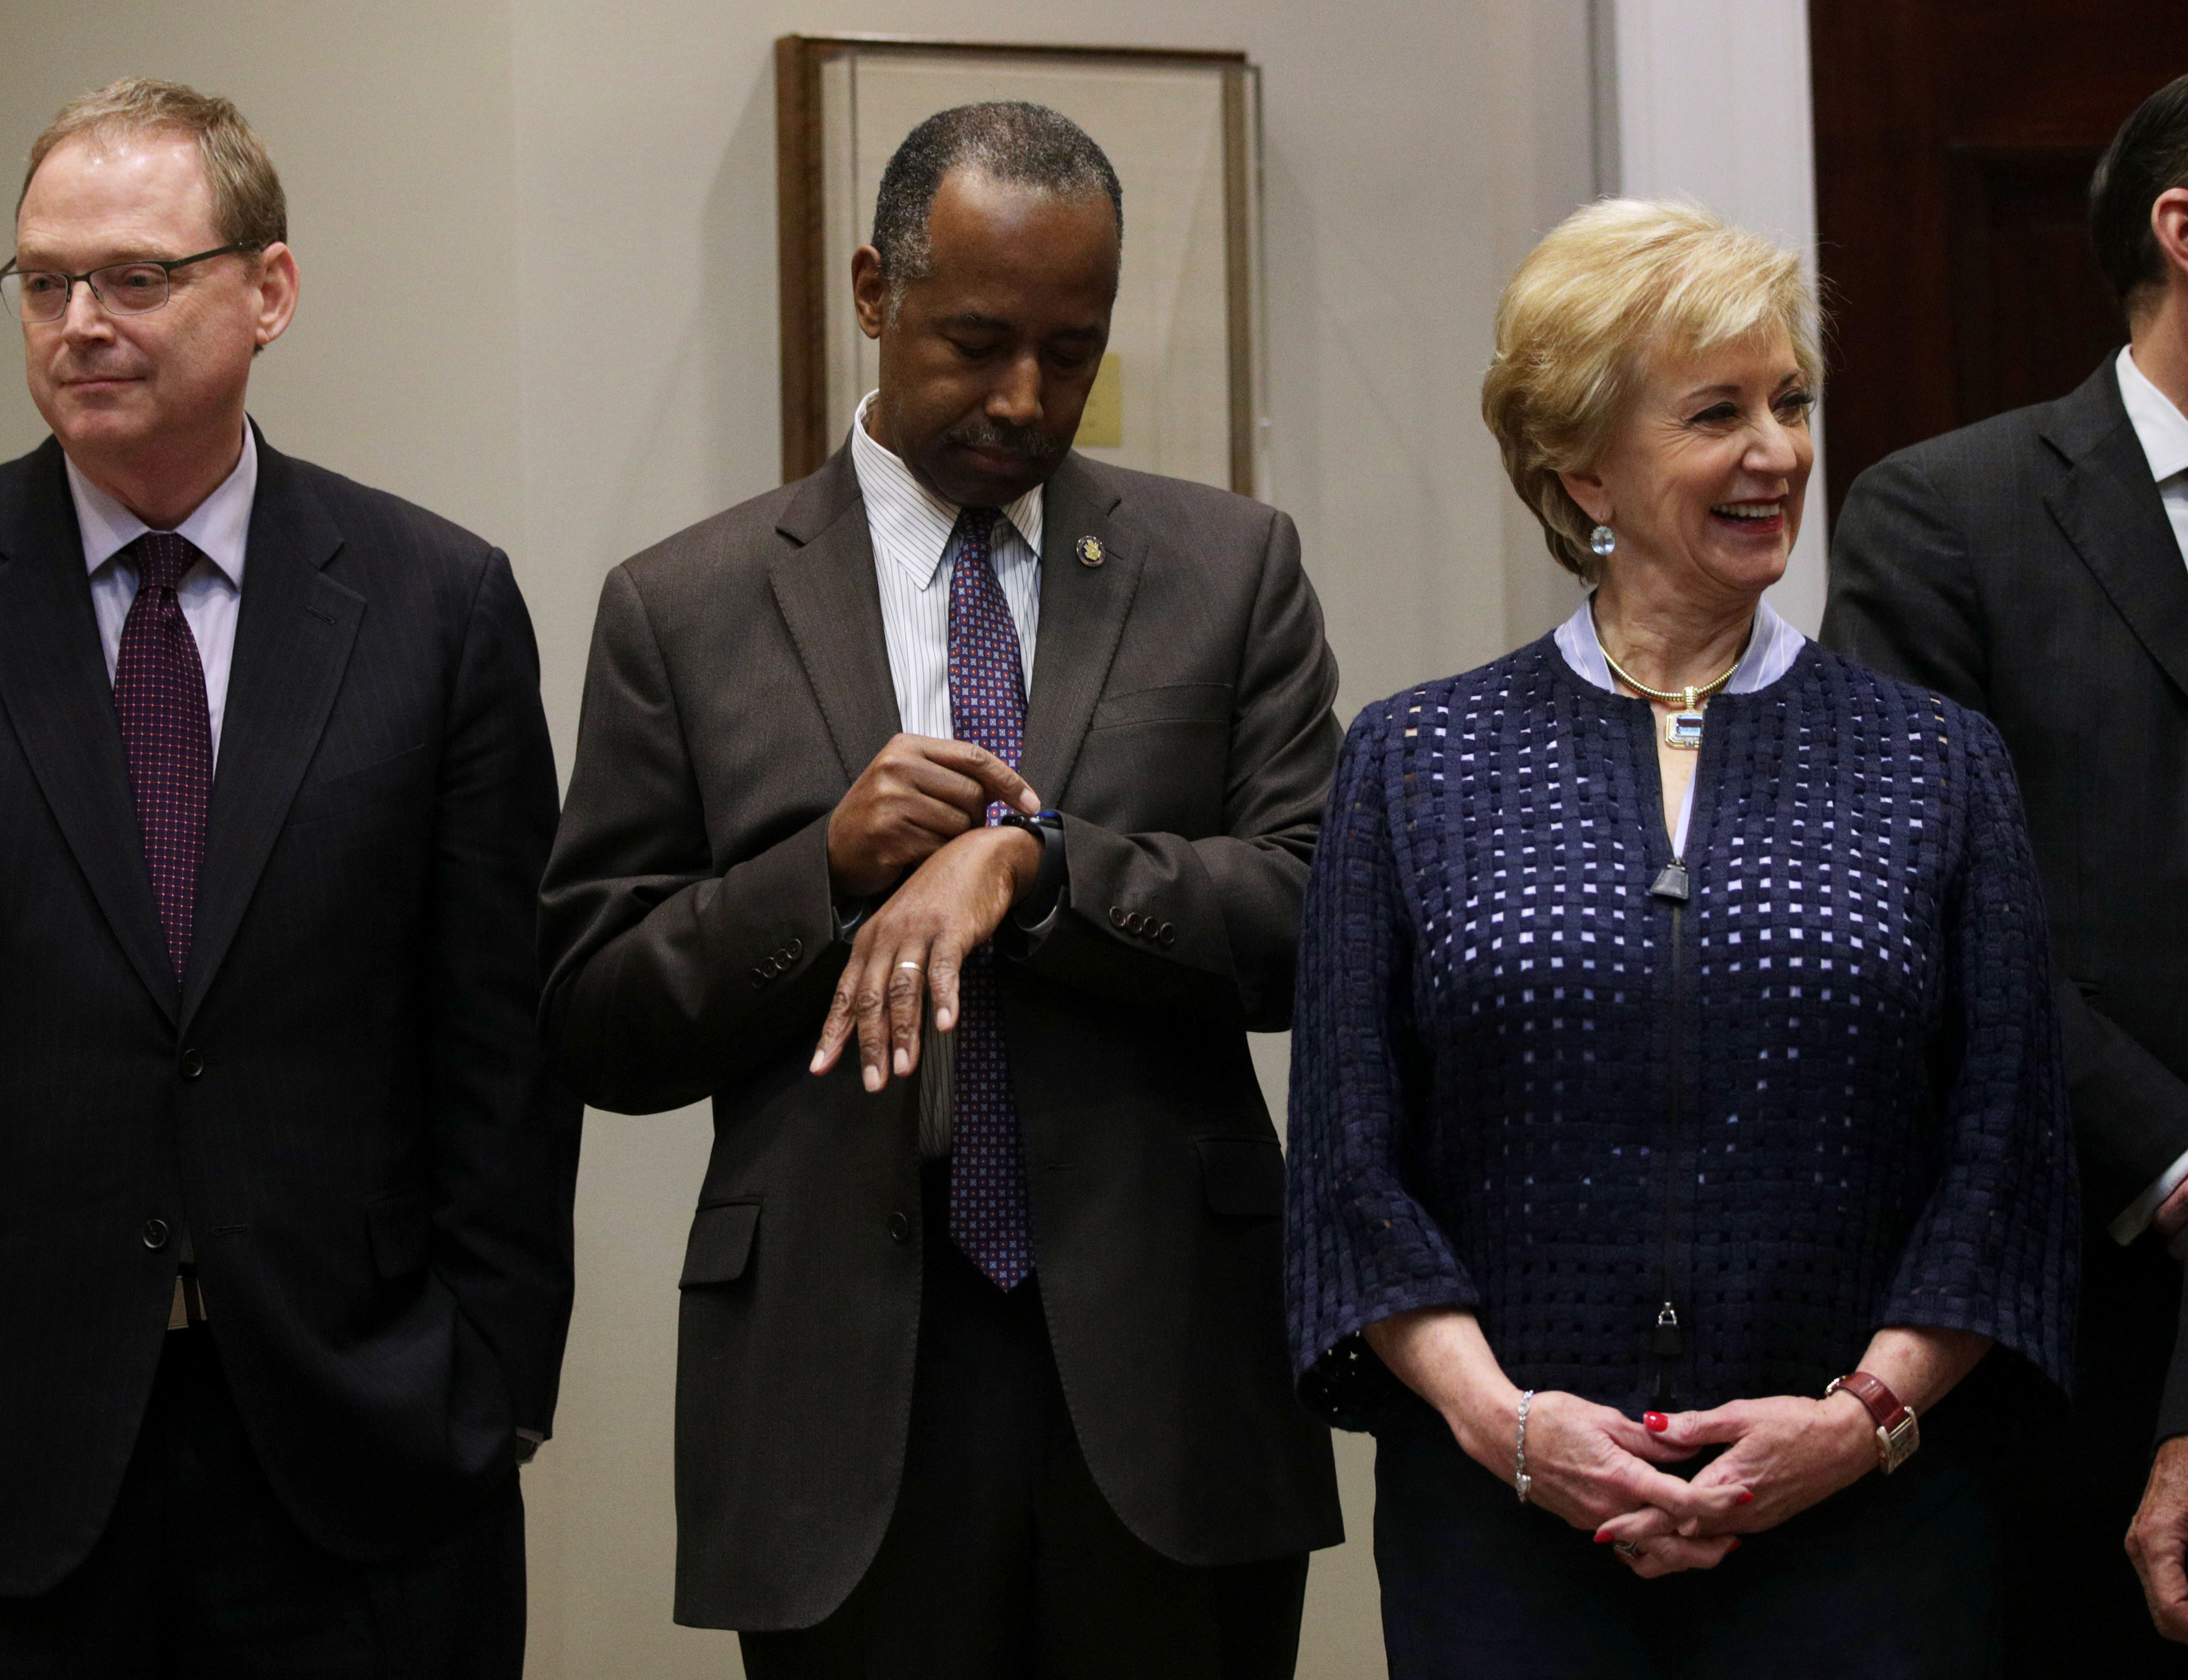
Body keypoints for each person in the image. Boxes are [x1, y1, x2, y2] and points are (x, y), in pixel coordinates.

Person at [0, 79, 577, 1676]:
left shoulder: (437, 605)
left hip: (364, 1448)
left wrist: (495, 1386)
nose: (80, 324)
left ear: (268, 291)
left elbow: (506, 1048)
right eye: (44, 283)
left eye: (135, 277)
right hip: (1, 1450)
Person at [541, 102, 1342, 1677]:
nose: (1024, 397)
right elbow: (595, 1020)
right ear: (871, 292)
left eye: (1073, 348)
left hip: (1166, 1375)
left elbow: (1316, 916)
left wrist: (1039, 873)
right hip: (839, 1394)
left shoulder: (1230, 567)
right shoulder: (686, 607)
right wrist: (821, 872)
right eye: (976, 342)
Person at [1285, 199, 2080, 1678]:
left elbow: (2006, 1168)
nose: (1777, 452)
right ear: (1582, 464)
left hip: (1870, 1538)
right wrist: (1508, 1427)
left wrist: (1858, 1426)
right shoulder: (1414, 762)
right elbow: (1348, 1170)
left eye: (1790, 403)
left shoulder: (1939, 762)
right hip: (1504, 1536)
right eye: (1717, 413)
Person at [1820, 72, 2188, 1669]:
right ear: (2184, 228)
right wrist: (2173, 1164)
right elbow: (1920, 907)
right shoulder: (1948, 516)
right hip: (2071, 1324)